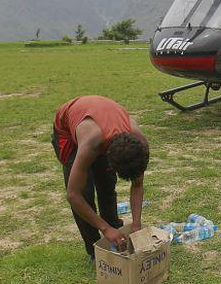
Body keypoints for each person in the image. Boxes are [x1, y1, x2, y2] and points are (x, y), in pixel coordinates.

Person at [52, 95, 149, 259]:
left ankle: (116, 234)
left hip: (101, 123)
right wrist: (104, 229)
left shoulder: (140, 145)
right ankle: (95, 251)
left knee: (107, 186)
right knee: (84, 194)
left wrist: (136, 224)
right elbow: (73, 195)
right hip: (68, 130)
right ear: (111, 163)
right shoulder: (91, 143)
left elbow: (137, 185)